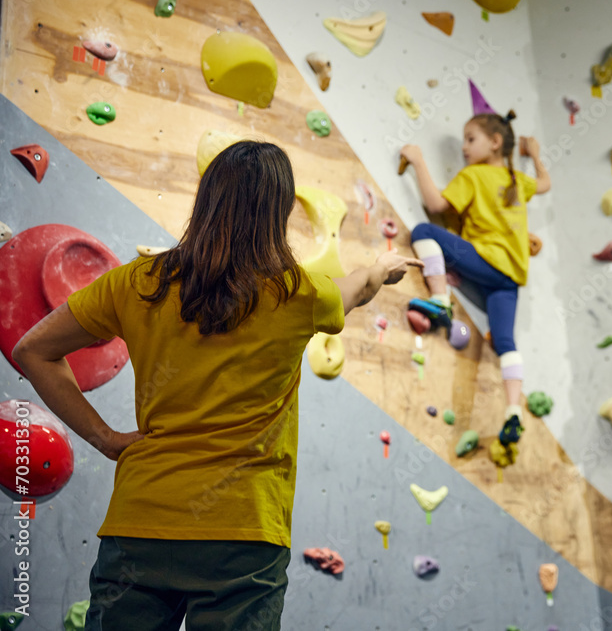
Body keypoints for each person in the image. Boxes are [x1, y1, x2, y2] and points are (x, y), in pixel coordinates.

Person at [11, 141, 422, 631]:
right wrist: (381, 267)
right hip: (243, 532)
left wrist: (105, 438)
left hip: (141, 523)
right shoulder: (299, 296)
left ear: (206, 199)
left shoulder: (136, 282)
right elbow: (359, 287)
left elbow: (32, 350)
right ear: (278, 212)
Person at [399, 110, 551, 447]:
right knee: (505, 340)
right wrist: (536, 155)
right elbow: (545, 184)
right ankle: (513, 411)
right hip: (510, 276)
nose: (465, 148)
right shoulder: (517, 179)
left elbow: (436, 205)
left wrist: (418, 161)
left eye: (471, 139)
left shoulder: (474, 175)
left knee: (424, 231)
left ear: (495, 143)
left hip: (487, 261)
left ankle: (440, 301)